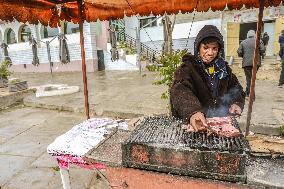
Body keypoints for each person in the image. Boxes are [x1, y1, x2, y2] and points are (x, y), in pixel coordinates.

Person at [170, 25, 245, 131]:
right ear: (198, 48)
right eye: (206, 48)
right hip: (195, 123)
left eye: (214, 48)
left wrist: (237, 103)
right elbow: (179, 90)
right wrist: (193, 111)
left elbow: (236, 88)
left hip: (217, 122)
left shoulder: (223, 68)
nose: (210, 53)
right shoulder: (187, 68)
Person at [237, 30, 265, 97]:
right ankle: (248, 93)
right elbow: (263, 50)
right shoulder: (259, 41)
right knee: (252, 78)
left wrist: (244, 56)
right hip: (256, 63)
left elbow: (239, 52)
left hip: (246, 64)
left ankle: (250, 94)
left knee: (249, 78)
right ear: (254, 34)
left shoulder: (243, 42)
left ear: (247, 35)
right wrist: (259, 54)